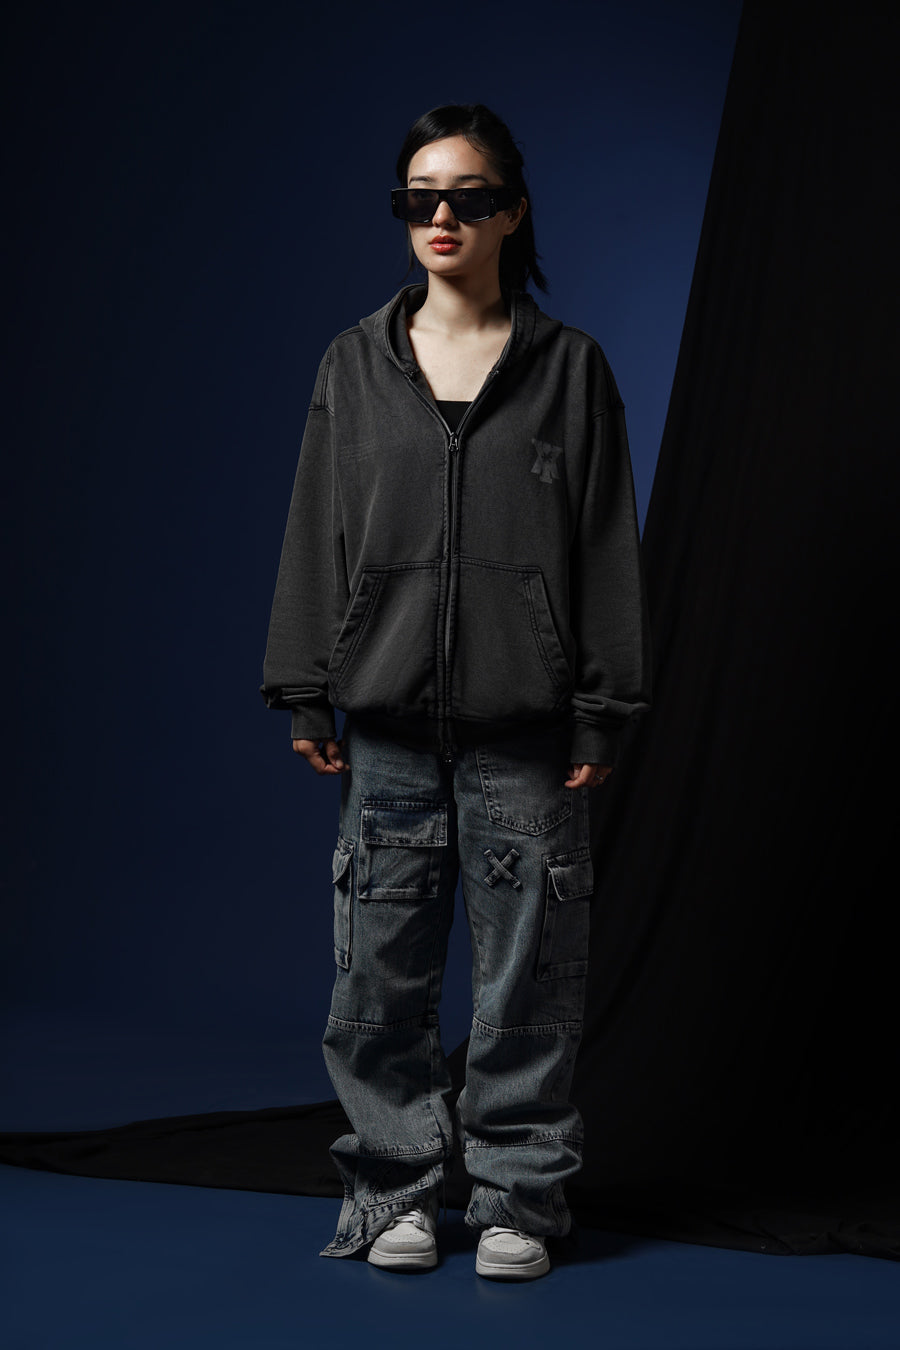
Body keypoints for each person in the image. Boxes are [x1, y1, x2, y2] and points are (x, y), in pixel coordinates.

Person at [261, 103, 650, 1280]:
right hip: (383, 727)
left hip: (525, 730)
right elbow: (317, 532)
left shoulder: (570, 369)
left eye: (468, 196)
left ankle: (520, 1196)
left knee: (528, 980)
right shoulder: (353, 363)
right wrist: (304, 687)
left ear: (511, 212)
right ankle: (396, 1191)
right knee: (378, 975)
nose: (442, 216)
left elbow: (603, 547)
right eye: (419, 197)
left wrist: (603, 706)